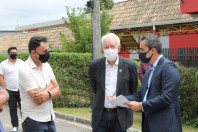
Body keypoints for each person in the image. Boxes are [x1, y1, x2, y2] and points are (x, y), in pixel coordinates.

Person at [124, 34, 182, 132]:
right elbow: (140, 95)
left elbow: (167, 97)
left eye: (142, 50)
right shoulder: (149, 71)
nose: (140, 53)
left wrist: (142, 105)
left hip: (164, 126)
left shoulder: (168, 67)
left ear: (153, 50)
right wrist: (120, 100)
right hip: (148, 125)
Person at [89, 33, 138, 132]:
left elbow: (133, 90)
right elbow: (95, 88)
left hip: (120, 115)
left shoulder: (130, 65)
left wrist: (120, 100)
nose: (109, 49)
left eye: (112, 46)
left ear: (118, 48)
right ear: (102, 48)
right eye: (106, 47)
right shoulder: (94, 65)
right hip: (100, 115)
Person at [18, 36, 61, 132]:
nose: (47, 54)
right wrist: (51, 87)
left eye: (47, 50)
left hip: (50, 118)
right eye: (44, 51)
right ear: (33, 52)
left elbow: (58, 89)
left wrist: (47, 93)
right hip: (33, 121)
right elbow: (38, 99)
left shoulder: (47, 65)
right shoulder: (24, 69)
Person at [0, 47, 24, 132]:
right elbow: (1, 77)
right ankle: (15, 126)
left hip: (21, 90)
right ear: (8, 54)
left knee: (24, 109)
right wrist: (5, 89)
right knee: (12, 108)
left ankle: (25, 126)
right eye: (12, 53)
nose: (14, 54)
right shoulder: (3, 64)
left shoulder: (21, 63)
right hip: (10, 90)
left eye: (15, 52)